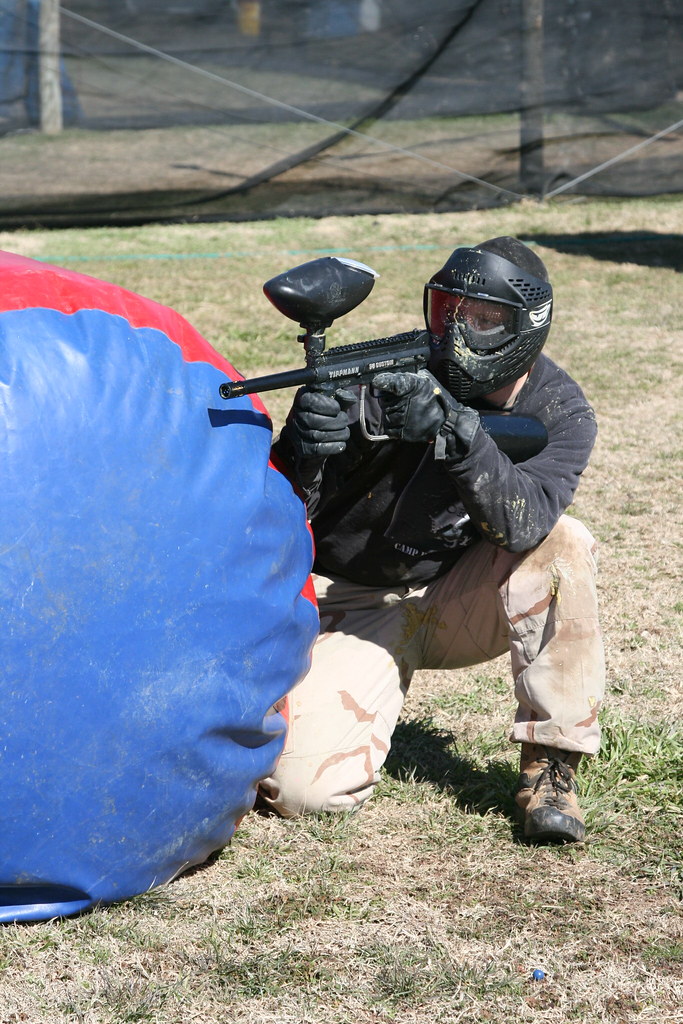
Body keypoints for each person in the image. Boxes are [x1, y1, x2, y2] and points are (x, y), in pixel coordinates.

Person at [259, 236, 604, 844]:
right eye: (447, 310)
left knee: (564, 544)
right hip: (355, 599)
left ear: (526, 326)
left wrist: (457, 432)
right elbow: (285, 517)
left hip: (460, 600)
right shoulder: (382, 375)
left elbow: (522, 524)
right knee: (302, 792)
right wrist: (301, 451)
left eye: (484, 318)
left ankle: (553, 765)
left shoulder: (560, 410)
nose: (458, 330)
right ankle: (371, 679)